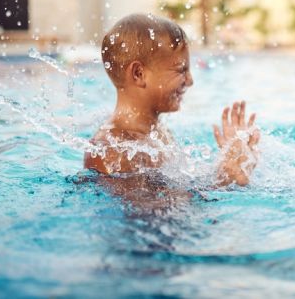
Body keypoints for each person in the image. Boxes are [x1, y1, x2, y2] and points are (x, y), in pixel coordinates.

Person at [84, 13, 260, 193]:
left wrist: (228, 167)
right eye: (181, 70)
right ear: (139, 74)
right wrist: (222, 180)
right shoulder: (113, 151)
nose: (190, 80)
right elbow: (150, 216)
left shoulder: (156, 133)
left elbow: (175, 190)